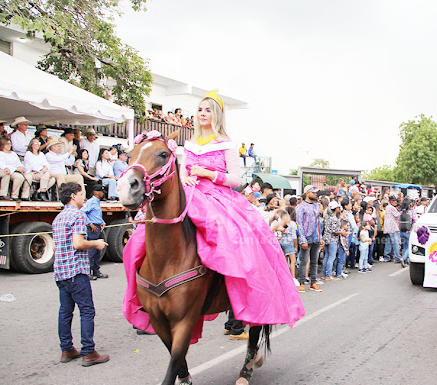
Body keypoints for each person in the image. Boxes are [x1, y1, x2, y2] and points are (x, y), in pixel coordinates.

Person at [121, 91, 305, 340]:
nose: (203, 114)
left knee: (237, 236)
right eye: (200, 110)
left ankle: (234, 288)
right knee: (143, 237)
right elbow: (181, 170)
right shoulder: (191, 143)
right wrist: (184, 177)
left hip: (219, 197)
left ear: (216, 115)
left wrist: (209, 174)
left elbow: (237, 179)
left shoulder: (227, 143)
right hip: (189, 193)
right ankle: (147, 296)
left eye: (208, 110)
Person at [52, 182, 109, 366]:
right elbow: (78, 243)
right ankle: (88, 352)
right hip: (76, 270)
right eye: (81, 193)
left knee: (65, 312)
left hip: (61, 272)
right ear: (73, 196)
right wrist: (96, 243)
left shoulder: (58, 218)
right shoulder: (77, 215)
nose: (83, 197)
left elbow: (56, 246)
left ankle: (67, 348)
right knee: (87, 311)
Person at [296, 185, 323, 292]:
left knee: (314, 261)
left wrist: (320, 237)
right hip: (306, 238)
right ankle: (302, 282)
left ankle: (313, 282)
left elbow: (318, 223)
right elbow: (300, 224)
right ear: (307, 193)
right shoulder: (300, 207)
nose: (316, 194)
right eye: (314, 192)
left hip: (316, 238)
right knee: (304, 261)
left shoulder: (316, 206)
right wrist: (303, 239)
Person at [81, 184, 109, 280]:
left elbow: (96, 216)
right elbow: (82, 212)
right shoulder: (91, 202)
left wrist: (102, 222)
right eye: (101, 192)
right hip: (92, 228)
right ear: (96, 192)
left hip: (97, 227)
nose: (102, 194)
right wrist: (89, 223)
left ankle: (96, 271)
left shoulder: (97, 202)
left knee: (98, 250)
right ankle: (88, 272)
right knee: (92, 251)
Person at [0, 136, 31, 201]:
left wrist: (21, 167)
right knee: (19, 177)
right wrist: (16, 169)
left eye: (10, 144)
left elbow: (18, 163)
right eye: (7, 144)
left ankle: (25, 196)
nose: (9, 145)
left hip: (17, 170)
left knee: (28, 176)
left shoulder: (13, 154)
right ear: (3, 145)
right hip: (10, 171)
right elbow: (2, 165)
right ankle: (14, 195)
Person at [321, 201, 341, 281]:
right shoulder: (334, 218)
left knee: (326, 256)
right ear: (336, 209)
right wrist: (342, 232)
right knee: (331, 257)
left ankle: (324, 273)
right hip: (332, 239)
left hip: (326, 238)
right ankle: (328, 274)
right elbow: (335, 230)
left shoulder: (327, 217)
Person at [383, 197, 402, 263]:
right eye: (393, 200)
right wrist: (402, 211)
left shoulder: (388, 207)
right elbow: (397, 215)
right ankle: (397, 257)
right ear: (390, 201)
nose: (395, 202)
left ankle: (387, 257)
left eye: (395, 200)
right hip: (393, 227)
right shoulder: (391, 207)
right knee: (395, 243)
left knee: (388, 242)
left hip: (388, 227)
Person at [399, 198, 415, 267]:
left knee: (405, 246)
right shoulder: (412, 212)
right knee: (409, 246)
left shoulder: (401, 212)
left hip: (402, 231)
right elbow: (415, 220)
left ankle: (405, 261)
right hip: (409, 231)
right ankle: (404, 258)